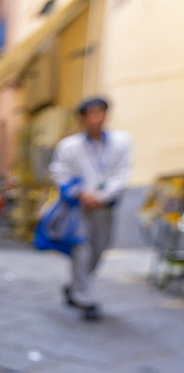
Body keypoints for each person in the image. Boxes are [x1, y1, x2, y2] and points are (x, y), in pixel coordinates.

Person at [49, 97, 133, 321]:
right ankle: (86, 299)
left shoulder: (122, 142)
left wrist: (102, 196)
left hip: (106, 207)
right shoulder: (69, 146)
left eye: (100, 113)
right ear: (83, 118)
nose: (96, 118)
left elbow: (122, 173)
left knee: (99, 250)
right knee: (82, 251)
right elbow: (59, 171)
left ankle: (74, 285)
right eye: (91, 114)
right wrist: (80, 192)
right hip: (80, 207)